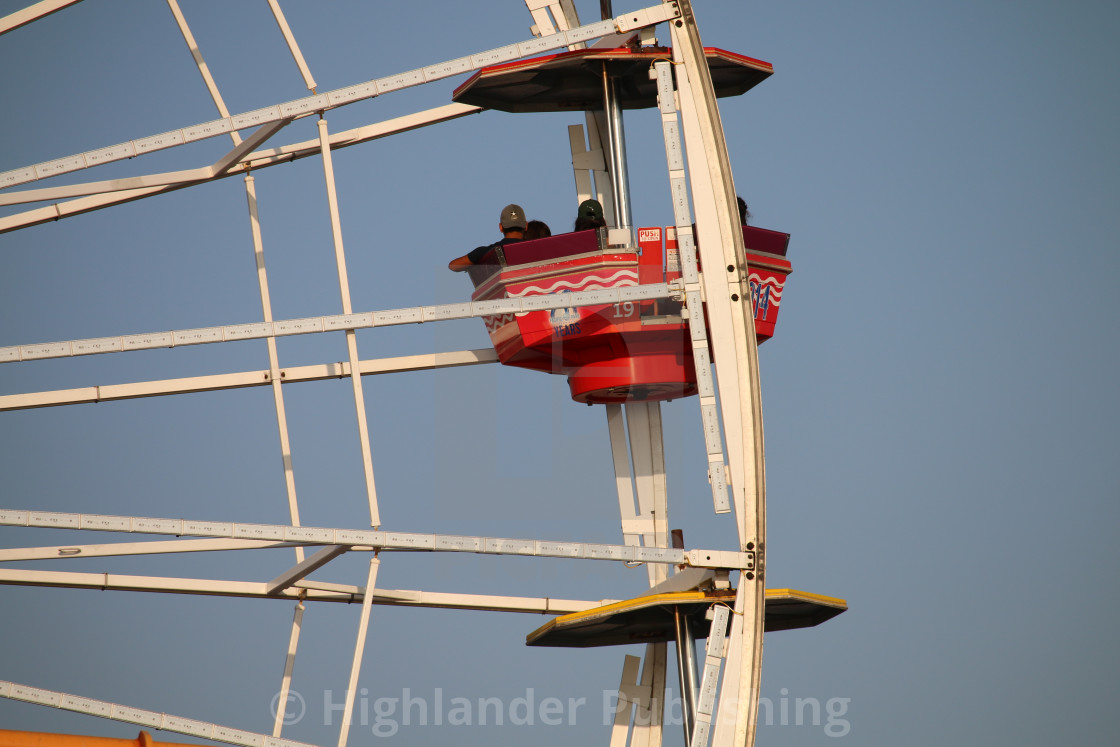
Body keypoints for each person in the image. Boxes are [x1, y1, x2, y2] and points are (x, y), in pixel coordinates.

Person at [448, 203, 527, 272]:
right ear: (526, 226)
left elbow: (453, 266)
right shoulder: (537, 248)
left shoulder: (485, 252)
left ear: (501, 227)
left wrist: (475, 261)